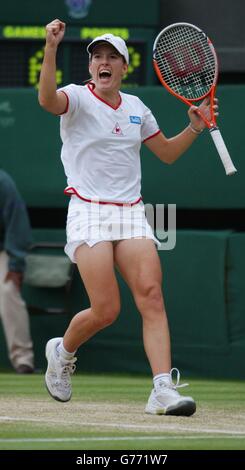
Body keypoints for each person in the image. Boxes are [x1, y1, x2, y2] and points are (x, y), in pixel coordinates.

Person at [39, 19, 218, 415]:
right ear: (91, 68)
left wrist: (193, 128)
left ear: (123, 67)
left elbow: (167, 154)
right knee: (107, 310)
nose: (103, 63)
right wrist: (51, 48)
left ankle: (161, 390)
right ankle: (62, 351)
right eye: (97, 57)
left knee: (152, 296)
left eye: (111, 58)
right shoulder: (76, 98)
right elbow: (47, 101)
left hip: (132, 213)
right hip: (87, 211)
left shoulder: (137, 107)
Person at [0, 170, 34, 373]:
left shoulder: (3, 182)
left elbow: (16, 220)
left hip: (3, 251)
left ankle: (23, 360)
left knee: (7, 291)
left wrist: (16, 264)